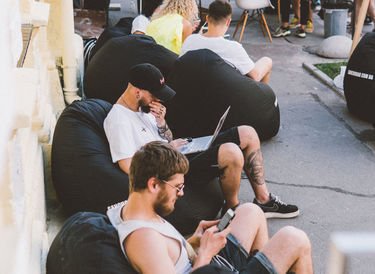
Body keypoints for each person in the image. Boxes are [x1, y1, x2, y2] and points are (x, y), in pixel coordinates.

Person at [104, 63, 299, 218]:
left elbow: (166, 138)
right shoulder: (119, 120)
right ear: (137, 92)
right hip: (172, 170)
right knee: (230, 152)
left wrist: (163, 125)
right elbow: (129, 166)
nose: (158, 100)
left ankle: (264, 200)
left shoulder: (144, 109)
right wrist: (167, 156)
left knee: (247, 133)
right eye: (154, 95)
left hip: (178, 153)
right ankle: (231, 212)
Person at [106, 141, 314, 274]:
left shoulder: (132, 207)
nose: (181, 194)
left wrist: (192, 244)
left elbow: (168, 257)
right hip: (206, 266)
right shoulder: (144, 240)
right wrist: (205, 253)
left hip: (211, 264)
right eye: (177, 187)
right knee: (294, 239)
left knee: (251, 212)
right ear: (153, 184)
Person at [181, 0, 273, 83]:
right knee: (267, 61)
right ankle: (264, 100)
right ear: (228, 22)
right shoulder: (233, 48)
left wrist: (198, 37)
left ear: (207, 18)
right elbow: (255, 77)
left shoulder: (190, 40)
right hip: (224, 96)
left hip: (194, 91)